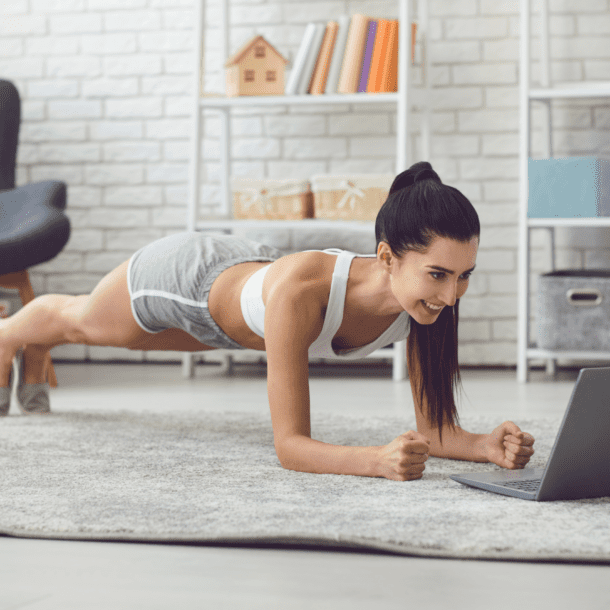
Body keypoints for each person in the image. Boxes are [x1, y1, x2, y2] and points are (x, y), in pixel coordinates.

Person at [0, 161, 535, 480]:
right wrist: (375, 460)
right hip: (190, 278)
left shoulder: (428, 303)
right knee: (84, 324)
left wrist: (483, 444)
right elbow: (290, 446)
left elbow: (435, 430)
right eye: (439, 274)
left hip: (242, 294)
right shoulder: (304, 292)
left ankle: (36, 348)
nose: (452, 294)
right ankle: (9, 336)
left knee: (128, 342)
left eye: (464, 276)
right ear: (388, 257)